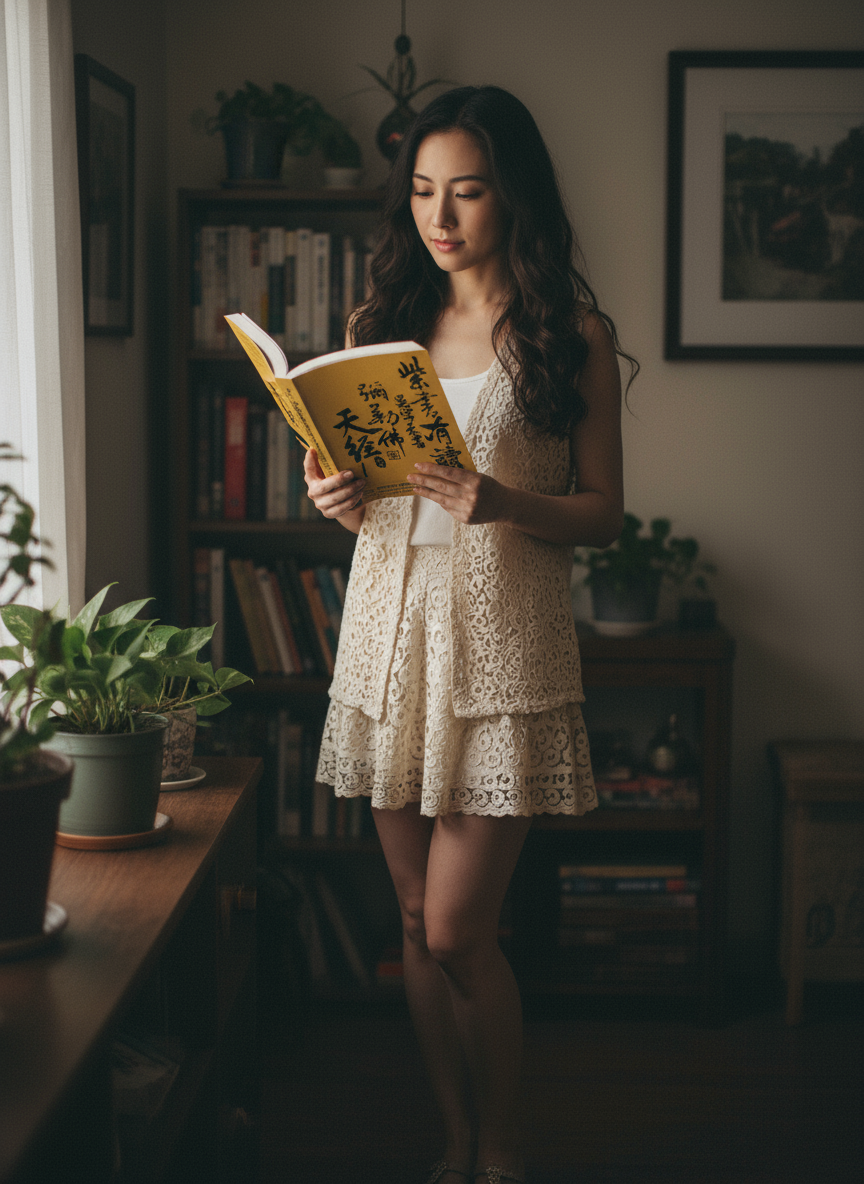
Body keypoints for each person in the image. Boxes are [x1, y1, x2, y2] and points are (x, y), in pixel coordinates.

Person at [304, 85, 632, 1184]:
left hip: (500, 646)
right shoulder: (377, 328)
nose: (441, 216)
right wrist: (339, 498)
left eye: (470, 191)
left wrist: (501, 500)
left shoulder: (570, 336)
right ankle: (454, 1134)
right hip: (389, 637)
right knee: (408, 913)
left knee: (456, 931)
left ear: (515, 195)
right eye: (424, 192)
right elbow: (380, 500)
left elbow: (604, 511)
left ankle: (504, 1138)